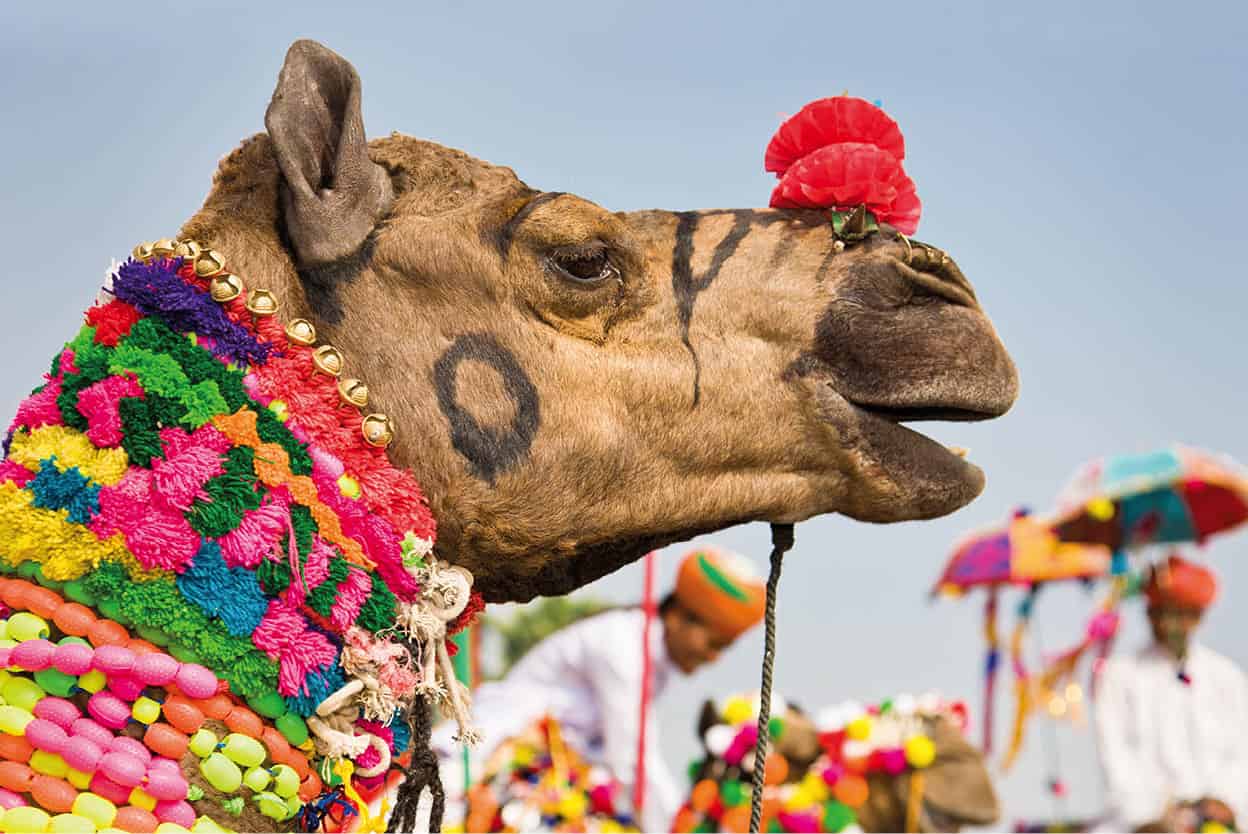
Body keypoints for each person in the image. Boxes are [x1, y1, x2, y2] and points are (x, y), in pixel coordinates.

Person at [433, 545, 767, 832]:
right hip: (491, 761)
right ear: (680, 617)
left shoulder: (652, 661)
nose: (713, 658)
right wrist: (679, 826)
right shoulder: (624, 646)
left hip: (556, 774)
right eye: (714, 643)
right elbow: (632, 762)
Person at [1094, 554, 1248, 832]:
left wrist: (1222, 800)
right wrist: (1151, 816)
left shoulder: (1226, 677)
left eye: (1178, 614)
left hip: (1220, 818)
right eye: (1159, 613)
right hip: (1140, 822)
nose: (1167, 624)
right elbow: (1116, 759)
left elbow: (1241, 753)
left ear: (1197, 617)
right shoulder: (1119, 675)